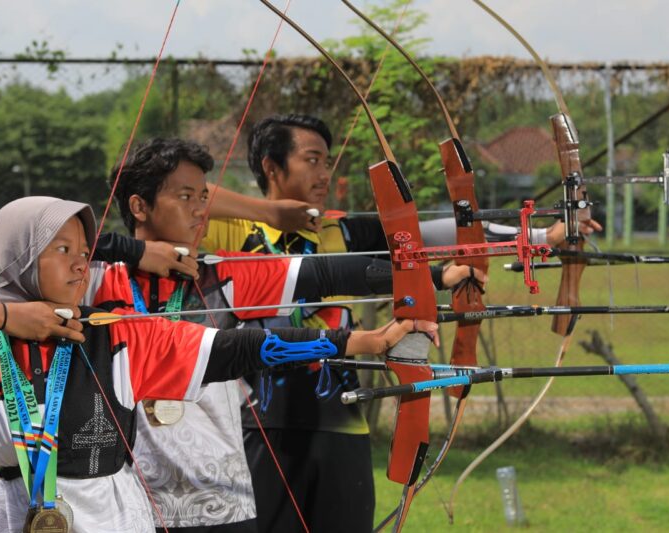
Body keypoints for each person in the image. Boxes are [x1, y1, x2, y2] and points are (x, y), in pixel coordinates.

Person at [0, 196, 425, 533]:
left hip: (115, 514)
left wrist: (361, 340)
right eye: (60, 249)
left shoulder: (119, 335)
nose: (82, 261)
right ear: (18, 261)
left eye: (86, 249)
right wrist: (1, 315)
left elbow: (238, 349)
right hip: (16, 515)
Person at [203, 113, 601, 533]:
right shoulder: (230, 229)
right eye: (312, 160)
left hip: (341, 421)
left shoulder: (339, 229)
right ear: (271, 165)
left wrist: (542, 237)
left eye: (327, 161)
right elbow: (183, 193)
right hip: (259, 423)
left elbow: (441, 233)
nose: (325, 172)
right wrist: (270, 212)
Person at [91, 137, 477, 532]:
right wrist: (134, 252)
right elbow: (36, 236)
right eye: (185, 196)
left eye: (203, 197)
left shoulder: (221, 274)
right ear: (139, 206)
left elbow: (325, 273)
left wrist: (433, 277)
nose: (199, 211)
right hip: (126, 506)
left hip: (220, 506)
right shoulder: (94, 281)